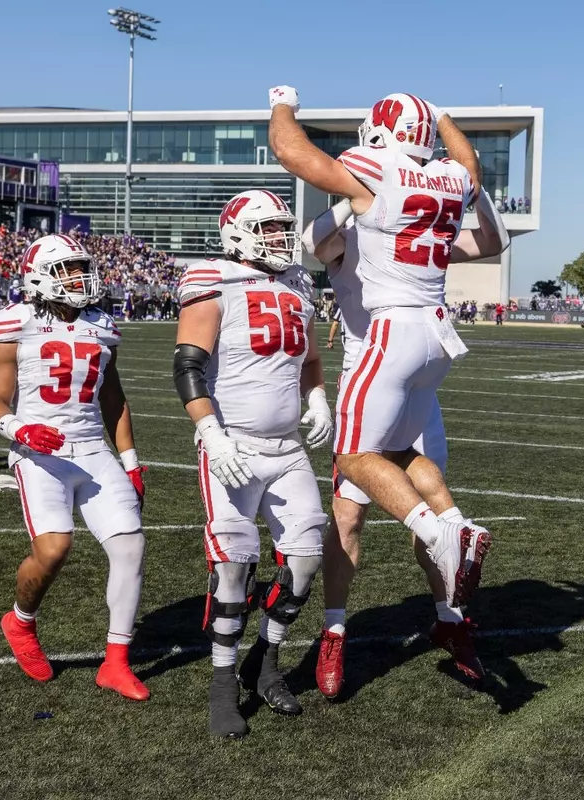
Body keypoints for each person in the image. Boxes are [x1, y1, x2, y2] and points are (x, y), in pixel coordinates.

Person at [267, 87, 495, 632]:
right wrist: (443, 118)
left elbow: (295, 156)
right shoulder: (446, 177)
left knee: (353, 457)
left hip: (388, 339)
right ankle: (449, 530)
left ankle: (447, 537)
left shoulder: (376, 173)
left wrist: (282, 106)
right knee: (398, 474)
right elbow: (472, 177)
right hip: (435, 336)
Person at [301, 192, 507, 694]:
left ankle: (450, 618)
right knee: (349, 517)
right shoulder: (347, 235)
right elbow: (314, 244)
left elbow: (489, 242)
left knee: (432, 504)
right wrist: (352, 197)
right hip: (365, 378)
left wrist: (474, 191)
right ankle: (333, 629)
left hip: (413, 381)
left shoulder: (416, 234)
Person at [172, 190, 335, 739]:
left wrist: (317, 397)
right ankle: (222, 686)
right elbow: (189, 366)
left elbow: (310, 359)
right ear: (237, 234)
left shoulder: (297, 283)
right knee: (234, 568)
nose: (279, 238)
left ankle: (263, 660)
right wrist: (211, 434)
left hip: (288, 448)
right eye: (266, 229)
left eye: (282, 227)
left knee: (307, 562)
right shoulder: (212, 280)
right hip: (233, 446)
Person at [0, 233, 150, 701]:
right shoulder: (15, 322)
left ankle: (115, 663)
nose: (79, 276)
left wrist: (130, 460)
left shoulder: (101, 324)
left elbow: (113, 398)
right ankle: (20, 620)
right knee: (53, 550)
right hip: (39, 454)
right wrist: (20, 430)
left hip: (94, 449)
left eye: (81, 267)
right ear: (38, 276)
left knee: (131, 547)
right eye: (67, 269)